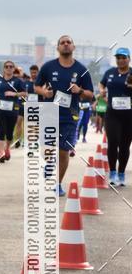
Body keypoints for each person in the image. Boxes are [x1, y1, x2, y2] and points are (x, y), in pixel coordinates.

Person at [35, 35, 94, 196]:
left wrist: (80, 90)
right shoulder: (48, 67)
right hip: (49, 113)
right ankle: (49, 161)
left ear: (73, 47)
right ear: (58, 47)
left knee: (63, 150)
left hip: (70, 116)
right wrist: (44, 92)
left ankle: (58, 183)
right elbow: (36, 87)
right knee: (46, 148)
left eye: (69, 42)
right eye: (63, 43)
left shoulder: (82, 70)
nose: (66, 45)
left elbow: (90, 94)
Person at [100, 48, 132, 185]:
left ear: (129, 59)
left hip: (129, 115)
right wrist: (102, 91)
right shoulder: (110, 72)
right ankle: (112, 172)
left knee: (125, 145)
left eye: (123, 58)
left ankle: (121, 173)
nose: (120, 60)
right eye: (118, 58)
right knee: (113, 142)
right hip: (112, 113)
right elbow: (102, 83)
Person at [0, 61, 26, 162]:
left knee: (9, 133)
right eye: (6, 67)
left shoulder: (18, 81)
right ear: (4, 68)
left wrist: (14, 94)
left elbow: (25, 93)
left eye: (11, 67)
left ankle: (7, 148)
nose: (8, 68)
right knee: (1, 131)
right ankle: (1, 154)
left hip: (12, 110)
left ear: (13, 69)